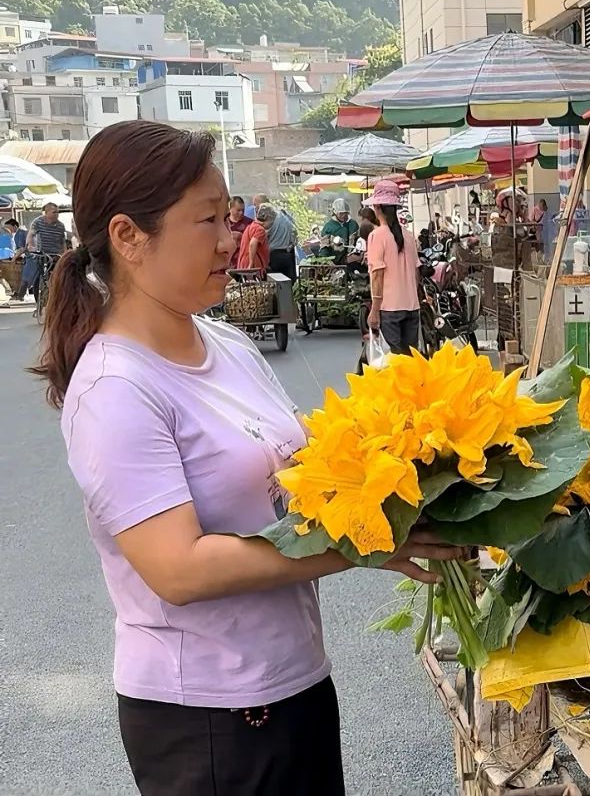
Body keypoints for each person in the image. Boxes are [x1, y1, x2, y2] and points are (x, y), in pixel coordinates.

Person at [32, 120, 459, 796]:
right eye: (207, 220)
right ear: (127, 237)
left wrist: (408, 458)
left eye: (229, 215)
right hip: (205, 715)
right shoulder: (115, 387)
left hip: (294, 682)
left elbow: (298, 471)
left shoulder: (226, 344)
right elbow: (180, 568)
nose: (232, 237)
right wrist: (366, 545)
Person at [364, 179, 420, 355]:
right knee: (410, 362)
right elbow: (416, 273)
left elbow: (377, 275)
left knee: (393, 363)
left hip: (389, 308)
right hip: (412, 306)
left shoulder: (376, 236)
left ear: (377, 207)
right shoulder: (409, 236)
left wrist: (374, 310)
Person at [18, 202, 68, 300]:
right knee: (37, 273)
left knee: (58, 275)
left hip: (55, 254)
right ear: (46, 212)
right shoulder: (38, 222)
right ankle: (30, 293)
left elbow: (63, 242)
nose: (57, 214)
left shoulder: (61, 226)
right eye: (54, 212)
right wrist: (31, 245)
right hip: (41, 253)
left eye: (58, 212)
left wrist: (64, 253)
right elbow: (30, 235)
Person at [266, 200, 298, 281]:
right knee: (289, 283)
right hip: (288, 255)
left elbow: (265, 236)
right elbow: (294, 237)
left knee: (275, 284)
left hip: (274, 256)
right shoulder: (289, 218)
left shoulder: (270, 220)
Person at [237, 203, 274, 275]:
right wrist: (251, 264)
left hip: (244, 263)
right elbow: (252, 243)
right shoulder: (260, 230)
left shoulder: (251, 226)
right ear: (268, 218)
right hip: (253, 267)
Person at [226, 196, 253, 269]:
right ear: (230, 209)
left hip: (244, 263)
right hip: (227, 263)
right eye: (238, 210)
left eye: (243, 210)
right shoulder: (223, 223)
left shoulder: (250, 223)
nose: (241, 213)